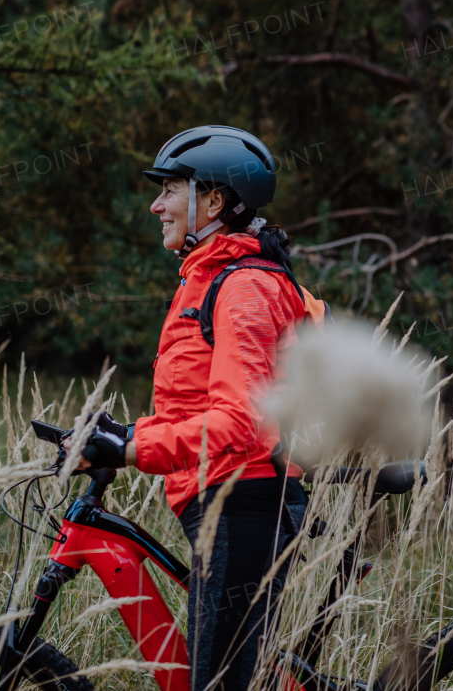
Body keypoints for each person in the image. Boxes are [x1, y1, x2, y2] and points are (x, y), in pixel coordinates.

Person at [66, 125, 328, 691]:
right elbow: (199, 405)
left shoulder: (245, 287)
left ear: (214, 200)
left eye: (171, 189)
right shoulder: (208, 279)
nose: (156, 204)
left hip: (243, 501)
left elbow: (238, 422)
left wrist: (133, 448)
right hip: (222, 501)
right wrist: (124, 432)